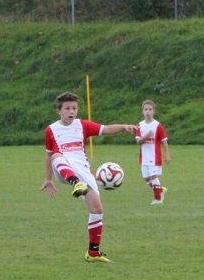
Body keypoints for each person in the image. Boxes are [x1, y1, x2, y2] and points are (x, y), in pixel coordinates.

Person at [40, 92, 136, 263]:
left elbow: (106, 129)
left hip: (82, 170)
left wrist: (124, 126)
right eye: (67, 108)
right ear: (59, 111)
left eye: (74, 108)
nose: (71, 111)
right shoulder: (51, 129)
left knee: (97, 210)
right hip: (63, 168)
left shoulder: (82, 125)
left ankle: (93, 253)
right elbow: (49, 155)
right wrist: (48, 179)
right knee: (56, 156)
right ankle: (75, 183)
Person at [135, 100, 171, 205]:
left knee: (153, 177)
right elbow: (138, 141)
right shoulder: (140, 125)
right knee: (146, 178)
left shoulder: (157, 125)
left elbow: (164, 141)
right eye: (146, 109)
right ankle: (160, 189)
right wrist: (147, 135)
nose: (148, 111)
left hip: (154, 157)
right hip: (144, 158)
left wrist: (167, 155)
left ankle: (158, 199)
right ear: (142, 111)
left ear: (154, 111)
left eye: (150, 109)